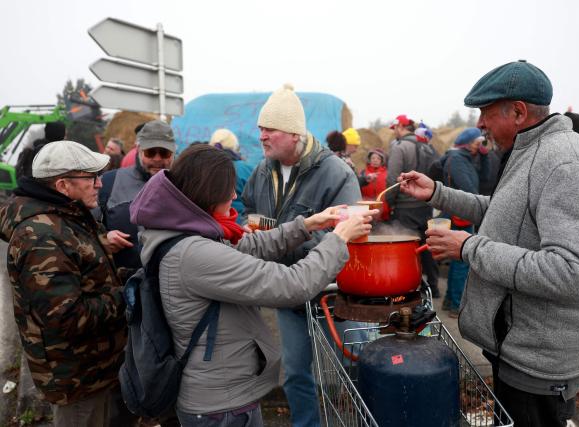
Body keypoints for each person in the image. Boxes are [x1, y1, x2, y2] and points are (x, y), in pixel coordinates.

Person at [399, 60, 579, 426]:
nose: (480, 123)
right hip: (516, 347)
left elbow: (573, 272)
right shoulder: (530, 150)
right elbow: (502, 212)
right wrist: (437, 192)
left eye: (485, 112)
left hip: (539, 365)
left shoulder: (567, 163)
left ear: (518, 111)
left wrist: (468, 247)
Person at [129, 144, 373, 427]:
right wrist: (338, 239)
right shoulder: (195, 253)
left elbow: (246, 246)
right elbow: (293, 285)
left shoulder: (184, 232)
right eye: (228, 190)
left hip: (219, 394)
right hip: (221, 406)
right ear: (209, 193)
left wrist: (307, 224)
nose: (234, 196)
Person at [242, 84, 362, 427]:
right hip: (287, 295)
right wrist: (253, 229)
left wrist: (289, 245)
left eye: (270, 130)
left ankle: (353, 421)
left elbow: (348, 228)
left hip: (331, 295)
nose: (262, 136)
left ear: (294, 134)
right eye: (261, 129)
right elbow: (246, 207)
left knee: (347, 368)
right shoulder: (262, 170)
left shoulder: (337, 173)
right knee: (295, 373)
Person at [0, 140, 131, 427]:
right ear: (62, 185)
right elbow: (66, 317)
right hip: (77, 377)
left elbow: (81, 273)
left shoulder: (67, 215)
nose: (99, 184)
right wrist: (127, 296)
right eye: (91, 178)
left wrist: (116, 268)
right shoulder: (41, 236)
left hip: (93, 367)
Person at [95, 120, 176, 282]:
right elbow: (83, 228)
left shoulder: (185, 185)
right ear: (139, 150)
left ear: (173, 153)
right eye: (151, 152)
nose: (158, 159)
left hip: (171, 285)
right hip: (122, 285)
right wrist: (103, 238)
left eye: (165, 153)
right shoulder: (109, 182)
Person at [386, 114, 441, 297]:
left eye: (394, 129)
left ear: (401, 127)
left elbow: (393, 179)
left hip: (404, 208)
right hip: (426, 205)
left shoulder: (400, 147)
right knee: (427, 246)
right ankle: (433, 287)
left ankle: (408, 289)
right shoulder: (428, 146)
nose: (393, 133)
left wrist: (388, 202)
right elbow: (438, 172)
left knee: (407, 249)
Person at [439, 127, 488, 317]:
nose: (479, 147)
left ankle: (450, 300)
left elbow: (485, 177)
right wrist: (478, 205)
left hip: (461, 214)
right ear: (467, 144)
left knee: (457, 261)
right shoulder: (457, 160)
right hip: (460, 215)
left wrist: (483, 156)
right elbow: (468, 189)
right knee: (461, 262)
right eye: (477, 144)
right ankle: (456, 304)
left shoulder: (467, 158)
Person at [209, 128, 254, 220]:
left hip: (210, 222)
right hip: (240, 222)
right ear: (235, 146)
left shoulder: (204, 167)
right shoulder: (246, 169)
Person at [359, 149, 391, 221]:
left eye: (378, 158)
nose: (375, 160)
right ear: (369, 160)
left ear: (382, 161)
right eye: (373, 158)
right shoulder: (363, 173)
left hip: (384, 210)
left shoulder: (388, 173)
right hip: (367, 209)